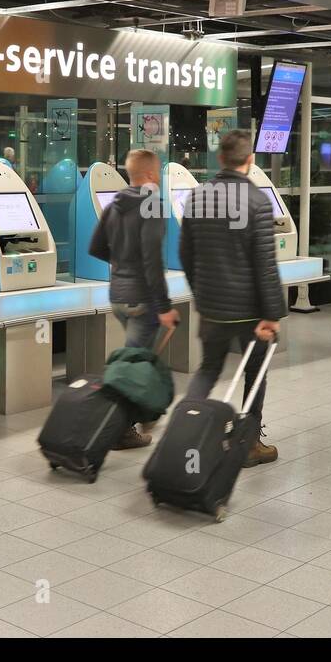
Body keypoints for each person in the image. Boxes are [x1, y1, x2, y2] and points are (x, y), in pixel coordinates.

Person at [180, 129, 284, 467]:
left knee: (208, 369)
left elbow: (185, 254)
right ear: (250, 160)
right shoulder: (257, 201)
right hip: (250, 311)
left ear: (220, 158)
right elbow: (265, 266)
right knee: (255, 374)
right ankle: (249, 443)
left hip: (212, 308)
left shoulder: (198, 197)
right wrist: (272, 314)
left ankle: (183, 432)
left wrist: (202, 292)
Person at [88, 148, 180, 449]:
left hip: (118, 295)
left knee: (135, 359)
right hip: (142, 299)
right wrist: (165, 308)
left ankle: (143, 413)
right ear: (152, 175)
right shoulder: (153, 205)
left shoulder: (115, 203)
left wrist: (123, 265)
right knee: (134, 367)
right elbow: (152, 262)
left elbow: (97, 247)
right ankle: (122, 429)